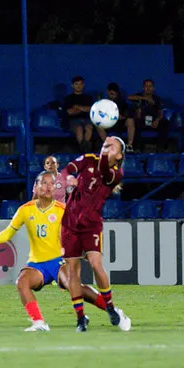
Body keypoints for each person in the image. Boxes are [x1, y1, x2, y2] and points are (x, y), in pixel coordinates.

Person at [0, 171, 114, 331]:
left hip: (59, 262)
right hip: (37, 265)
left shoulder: (63, 210)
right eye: (44, 183)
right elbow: (9, 231)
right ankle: (39, 323)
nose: (48, 187)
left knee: (74, 286)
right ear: (36, 186)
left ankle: (111, 309)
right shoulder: (25, 210)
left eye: (51, 184)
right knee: (22, 282)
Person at [59, 136, 132, 332]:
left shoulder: (116, 173)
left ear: (118, 155)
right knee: (73, 271)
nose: (106, 146)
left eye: (111, 146)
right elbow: (69, 167)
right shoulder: (89, 158)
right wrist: (68, 177)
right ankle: (80, 319)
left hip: (91, 225)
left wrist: (104, 153)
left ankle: (109, 306)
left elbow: (103, 171)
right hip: (69, 223)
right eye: (105, 144)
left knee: (95, 263)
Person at [128, 79, 170, 152]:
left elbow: (161, 113)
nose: (148, 88)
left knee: (165, 123)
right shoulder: (139, 96)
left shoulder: (157, 99)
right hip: (142, 121)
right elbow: (129, 97)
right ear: (143, 88)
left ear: (153, 88)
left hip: (153, 121)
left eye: (150, 86)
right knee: (135, 122)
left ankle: (161, 148)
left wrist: (157, 120)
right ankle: (137, 148)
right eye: (146, 86)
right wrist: (144, 98)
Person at [96, 82, 136, 152]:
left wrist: (120, 116)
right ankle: (108, 145)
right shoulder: (103, 102)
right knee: (98, 124)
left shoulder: (122, 102)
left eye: (114, 94)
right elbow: (99, 115)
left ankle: (129, 146)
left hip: (119, 123)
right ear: (108, 92)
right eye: (111, 93)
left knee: (130, 121)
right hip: (107, 123)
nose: (112, 96)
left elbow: (126, 115)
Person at [62, 75, 94, 153]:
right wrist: (83, 109)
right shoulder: (68, 98)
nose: (78, 86)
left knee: (89, 128)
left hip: (86, 120)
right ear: (72, 85)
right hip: (74, 121)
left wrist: (78, 107)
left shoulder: (88, 98)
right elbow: (69, 112)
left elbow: (90, 109)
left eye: (80, 84)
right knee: (79, 128)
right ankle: (84, 150)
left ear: (83, 85)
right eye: (76, 84)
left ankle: (84, 148)